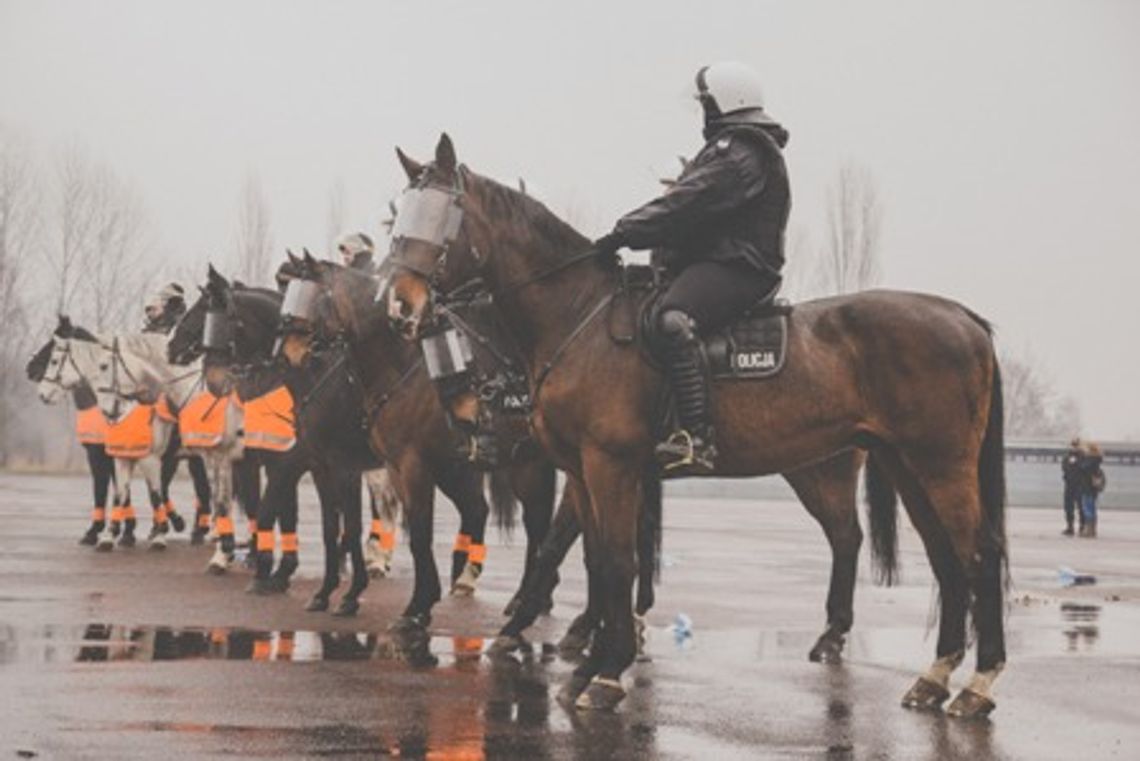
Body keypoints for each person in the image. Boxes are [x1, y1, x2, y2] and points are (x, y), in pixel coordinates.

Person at [593, 61, 790, 472]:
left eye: (706, 103)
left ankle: (696, 436)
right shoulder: (734, 149)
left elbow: (686, 204)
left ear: (724, 103)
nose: (703, 112)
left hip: (742, 266)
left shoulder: (741, 152)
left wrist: (624, 232)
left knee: (671, 318)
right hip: (720, 261)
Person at [1078, 441, 1106, 538]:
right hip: (1092, 489)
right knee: (1092, 509)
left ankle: (1089, 530)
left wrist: (1082, 456)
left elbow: (1082, 468)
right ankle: (1092, 529)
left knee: (1087, 509)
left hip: (1087, 488)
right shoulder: (1096, 461)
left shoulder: (1090, 461)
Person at [1060, 437, 1084, 536]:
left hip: (1080, 485)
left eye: (1076, 445)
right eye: (1073, 445)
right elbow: (1064, 467)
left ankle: (1082, 526)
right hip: (1069, 484)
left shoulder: (1083, 456)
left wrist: (1076, 463)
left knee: (1081, 507)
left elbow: (1084, 468)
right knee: (1068, 507)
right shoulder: (1067, 456)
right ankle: (1070, 526)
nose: (1074, 447)